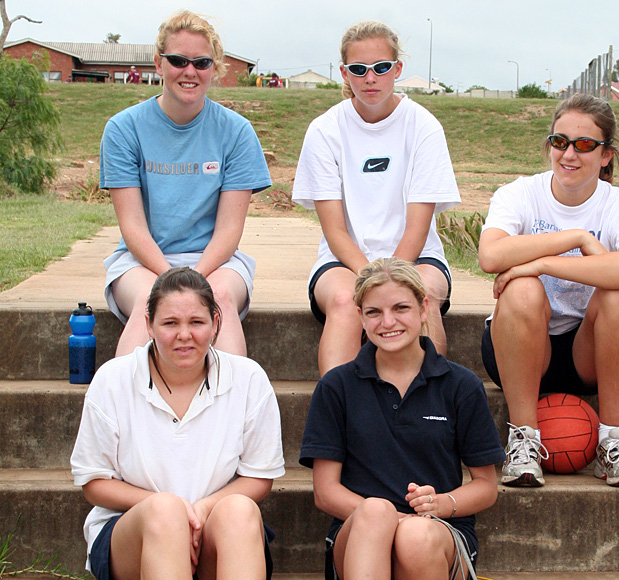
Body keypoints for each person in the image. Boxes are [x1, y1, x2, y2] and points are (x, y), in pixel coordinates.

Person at [478, 93, 619, 488]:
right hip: (520, 346)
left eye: (585, 144)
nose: (569, 154)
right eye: (560, 142)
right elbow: (490, 255)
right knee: (522, 290)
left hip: (586, 354)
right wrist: (573, 237)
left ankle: (613, 441)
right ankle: (523, 440)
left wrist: (541, 263)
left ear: (606, 155)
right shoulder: (520, 194)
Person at [70, 267, 285, 580]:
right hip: (131, 531)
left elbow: (259, 477)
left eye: (197, 322)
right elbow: (93, 482)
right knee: (165, 513)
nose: (185, 335)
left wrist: (200, 510)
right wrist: (171, 509)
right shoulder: (113, 379)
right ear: (149, 324)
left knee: (239, 510)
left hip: (214, 527)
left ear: (215, 323)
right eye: (170, 323)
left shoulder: (249, 379)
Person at [300, 257, 505, 580]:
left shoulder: (461, 385)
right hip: (359, 532)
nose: (387, 322)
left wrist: (440, 503)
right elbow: (326, 492)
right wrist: (392, 519)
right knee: (375, 510)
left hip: (438, 530)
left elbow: (486, 487)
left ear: (424, 309)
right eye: (374, 312)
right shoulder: (336, 386)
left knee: (415, 537)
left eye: (400, 308)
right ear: (360, 318)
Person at [292, 21, 460, 376]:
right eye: (359, 69)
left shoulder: (424, 126)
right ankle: (337, 420)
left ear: (397, 69)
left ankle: (429, 414)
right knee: (342, 301)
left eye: (381, 68)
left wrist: (392, 281)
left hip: (418, 256)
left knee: (421, 294)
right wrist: (371, 278)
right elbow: (335, 231)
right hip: (344, 260)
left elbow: (418, 227)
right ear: (344, 73)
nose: (371, 78)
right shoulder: (324, 130)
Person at [100, 10, 271, 357]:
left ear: (215, 67)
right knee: (152, 303)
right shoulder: (122, 129)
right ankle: (121, 407)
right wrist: (169, 279)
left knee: (218, 299)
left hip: (216, 261)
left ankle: (235, 406)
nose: (189, 71)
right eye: (178, 60)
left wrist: (196, 278)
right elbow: (132, 225)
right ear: (158, 64)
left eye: (202, 62)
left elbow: (228, 231)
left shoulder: (236, 132)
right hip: (142, 261)